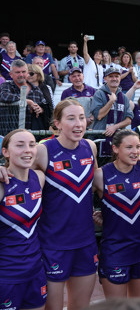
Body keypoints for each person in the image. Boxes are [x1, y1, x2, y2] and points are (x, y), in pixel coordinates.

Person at [0, 100, 100, 310]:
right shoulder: (43, 150)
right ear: (57, 123)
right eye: (70, 118)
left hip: (85, 241)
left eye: (81, 118)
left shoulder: (90, 147)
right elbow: (17, 167)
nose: (78, 124)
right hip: (53, 244)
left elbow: (92, 186)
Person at [92, 129, 140, 298]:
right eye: (129, 147)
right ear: (115, 149)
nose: (135, 151)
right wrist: (96, 211)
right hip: (114, 250)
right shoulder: (100, 175)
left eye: (138, 147)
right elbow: (77, 196)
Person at [0, 129, 47, 310]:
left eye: (32, 144)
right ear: (6, 152)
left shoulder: (39, 178)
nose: (27, 150)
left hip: (36, 271)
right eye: (20, 145)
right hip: (6, 276)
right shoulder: (2, 186)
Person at [91, 67, 134, 156]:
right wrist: (111, 102)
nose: (114, 79)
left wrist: (115, 127)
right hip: (100, 139)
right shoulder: (99, 94)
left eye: (117, 76)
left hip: (118, 141)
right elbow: (99, 115)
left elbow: (129, 119)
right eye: (111, 76)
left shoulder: (124, 97)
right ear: (105, 79)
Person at [0, 60, 48, 130]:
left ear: (27, 73)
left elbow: (45, 107)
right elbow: (4, 96)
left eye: (23, 72)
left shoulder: (36, 90)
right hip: (8, 133)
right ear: (11, 74)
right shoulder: (6, 86)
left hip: (31, 135)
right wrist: (28, 102)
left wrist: (40, 109)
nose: (21, 75)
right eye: (17, 72)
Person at [27, 64, 53, 130]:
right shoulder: (22, 87)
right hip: (27, 120)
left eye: (31, 73)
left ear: (39, 75)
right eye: (26, 73)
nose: (28, 75)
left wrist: (42, 109)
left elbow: (50, 106)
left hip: (42, 121)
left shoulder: (47, 88)